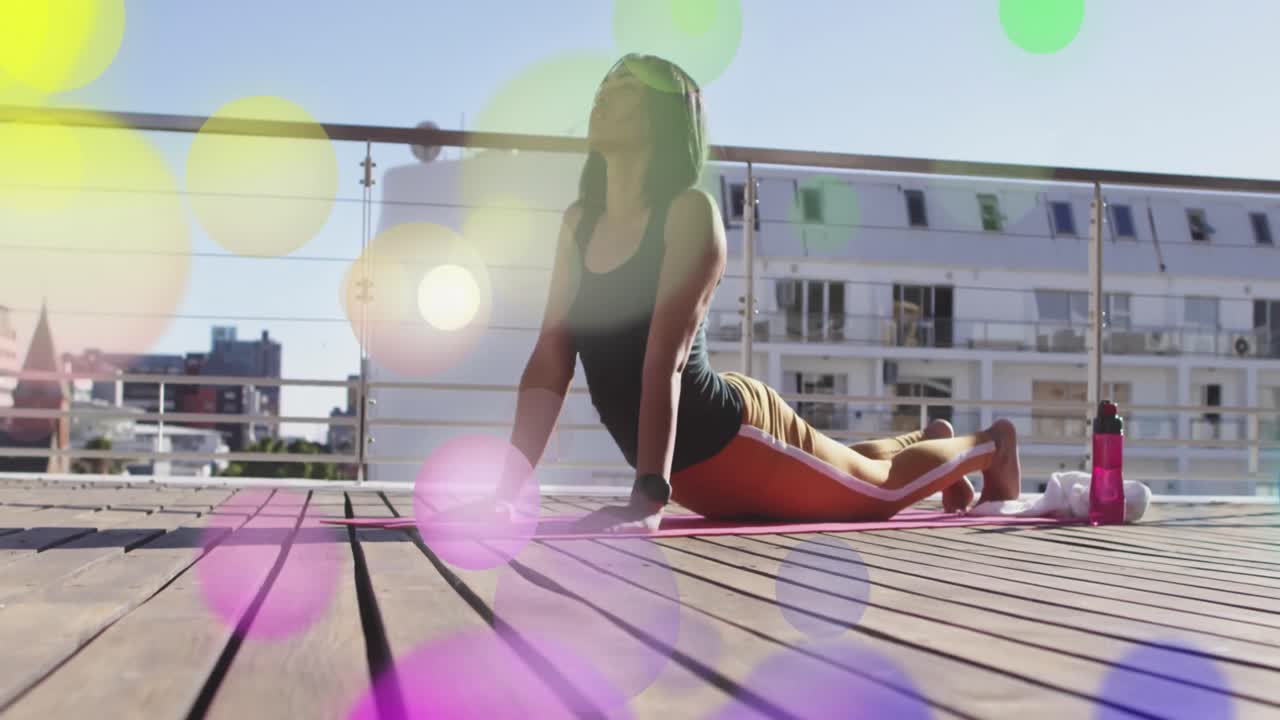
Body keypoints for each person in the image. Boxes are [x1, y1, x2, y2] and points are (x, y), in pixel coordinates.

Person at [496, 54, 1022, 534]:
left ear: (664, 117)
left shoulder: (687, 213)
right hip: (693, 470)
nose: (604, 93)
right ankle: (929, 439)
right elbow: (549, 361)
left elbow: (663, 362)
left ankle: (991, 446)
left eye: (626, 87)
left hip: (736, 442)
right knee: (842, 463)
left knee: (878, 490)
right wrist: (505, 494)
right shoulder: (580, 222)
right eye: (605, 84)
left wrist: (648, 497)